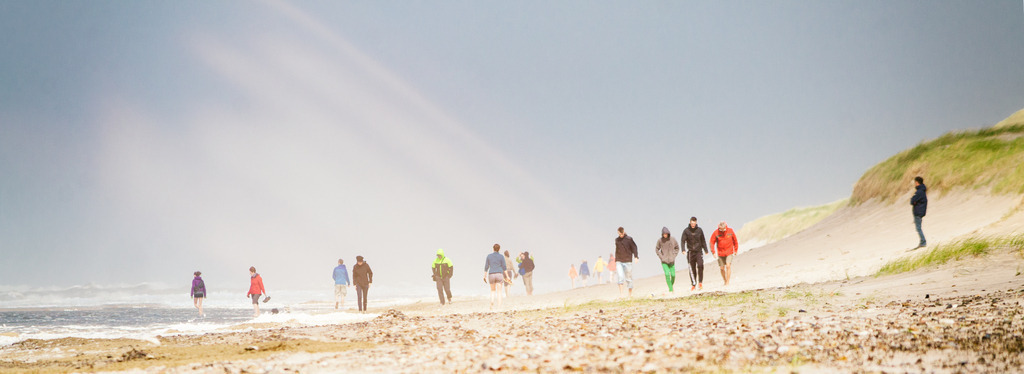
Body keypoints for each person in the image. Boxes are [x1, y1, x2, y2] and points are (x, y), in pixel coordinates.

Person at [682, 217, 709, 291]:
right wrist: (683, 249)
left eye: (694, 223)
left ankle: (700, 282)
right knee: (692, 268)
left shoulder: (699, 230)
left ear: (696, 223)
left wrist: (706, 249)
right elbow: (683, 240)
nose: (693, 224)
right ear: (690, 222)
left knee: (700, 265)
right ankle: (693, 284)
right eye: (692, 223)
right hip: (690, 252)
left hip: (698, 251)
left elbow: (703, 240)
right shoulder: (686, 231)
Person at [709, 222, 738, 286]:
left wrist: (735, 250)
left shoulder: (730, 231)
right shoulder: (716, 232)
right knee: (722, 268)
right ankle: (725, 280)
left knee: (728, 266)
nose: (722, 230)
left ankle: (727, 281)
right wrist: (713, 252)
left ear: (726, 227)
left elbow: (735, 241)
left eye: (723, 229)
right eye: (721, 229)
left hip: (729, 252)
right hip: (720, 253)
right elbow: (711, 242)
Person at [615, 227, 639, 297]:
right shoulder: (617, 240)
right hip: (619, 261)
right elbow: (617, 250)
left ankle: (629, 295)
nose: (621, 235)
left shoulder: (629, 239)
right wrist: (616, 259)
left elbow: (634, 247)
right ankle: (621, 294)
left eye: (622, 234)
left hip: (628, 261)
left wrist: (636, 256)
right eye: (619, 234)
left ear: (624, 232)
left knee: (628, 278)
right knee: (620, 277)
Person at [654, 227, 680, 293]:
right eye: (664, 234)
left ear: (668, 233)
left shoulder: (673, 239)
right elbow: (657, 249)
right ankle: (671, 290)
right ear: (662, 234)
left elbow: (677, 248)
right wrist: (661, 257)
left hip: (671, 261)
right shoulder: (660, 241)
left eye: (666, 234)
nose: (665, 235)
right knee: (667, 274)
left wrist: (674, 256)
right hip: (664, 261)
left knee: (673, 275)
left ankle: (670, 286)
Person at [484, 244, 507, 308]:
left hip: (491, 274)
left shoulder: (489, 256)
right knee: (499, 291)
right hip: (499, 274)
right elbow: (504, 267)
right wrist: (507, 276)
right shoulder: (501, 256)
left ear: (493, 248)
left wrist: (484, 276)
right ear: (499, 249)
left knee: (492, 290)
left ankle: (492, 301)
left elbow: (486, 267)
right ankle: (499, 306)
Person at [911, 176, 928, 249]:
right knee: (918, 228)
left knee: (918, 228)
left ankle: (923, 242)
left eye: (915, 182)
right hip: (920, 211)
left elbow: (912, 201)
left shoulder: (919, 192)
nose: (914, 184)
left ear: (917, 183)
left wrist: (913, 200)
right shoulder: (922, 191)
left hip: (918, 212)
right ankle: (922, 242)